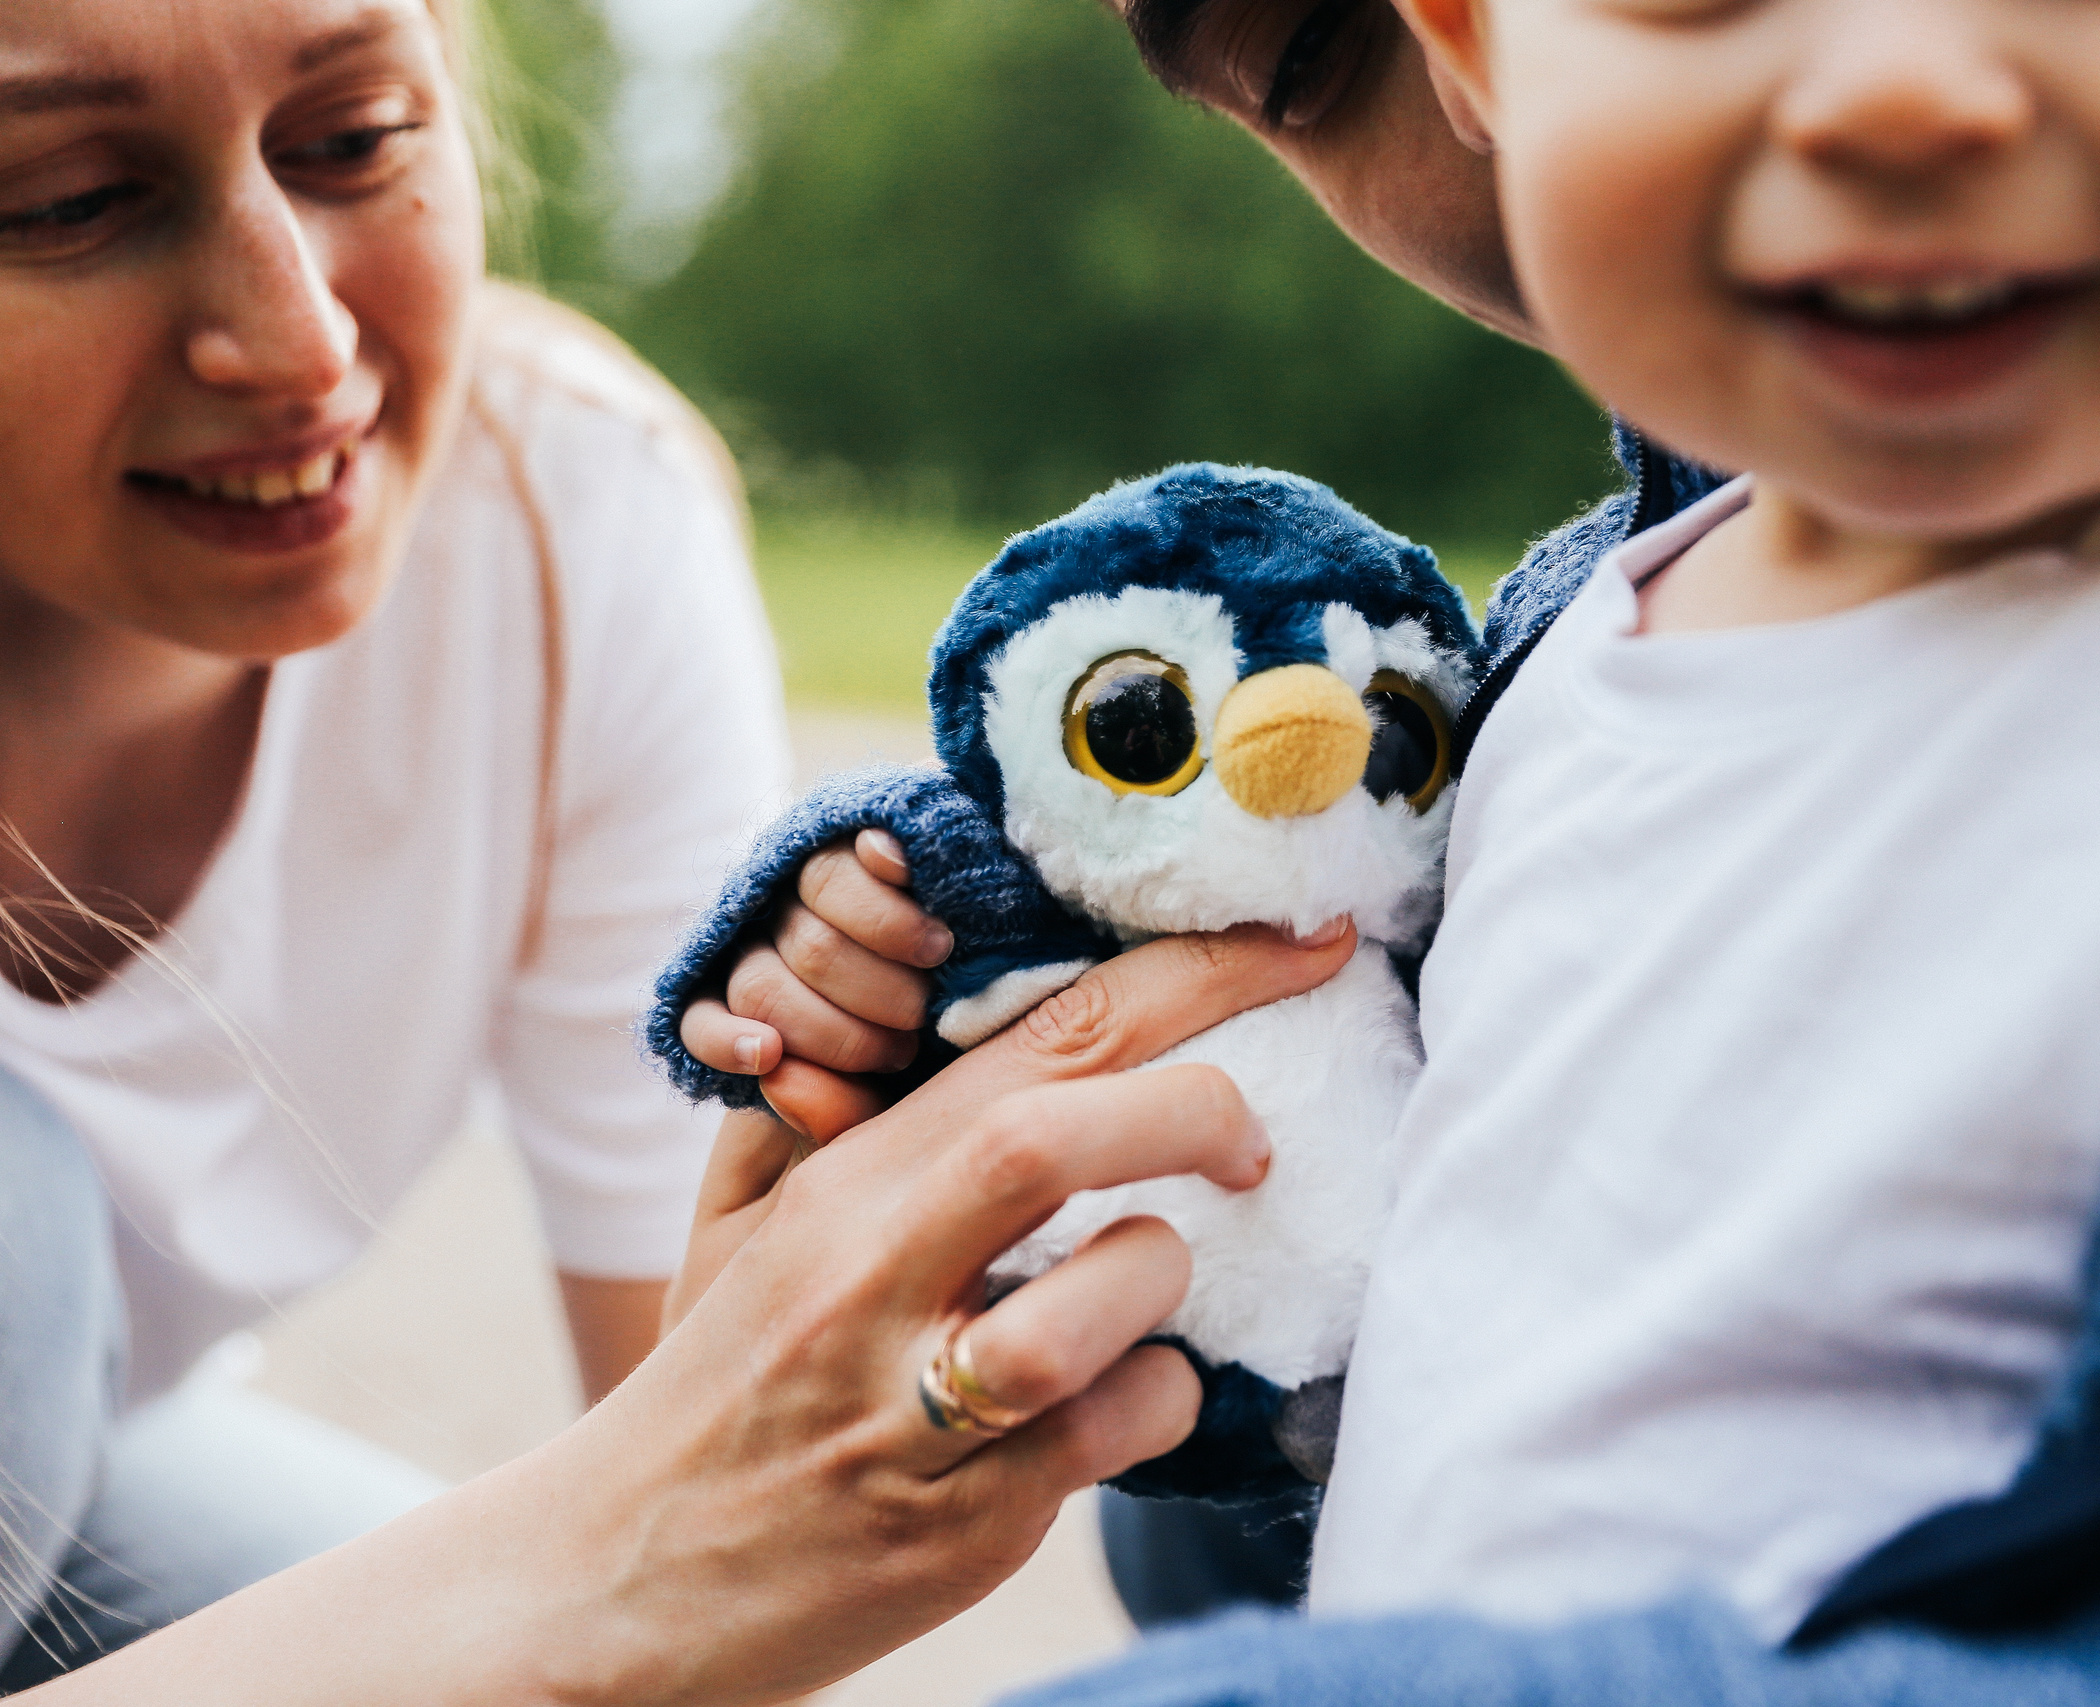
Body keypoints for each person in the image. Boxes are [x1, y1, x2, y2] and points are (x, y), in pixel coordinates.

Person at [668, 0, 2100, 1700]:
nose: (1894, 87)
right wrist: (970, 977)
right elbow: (1458, 1258)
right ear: (1478, 51)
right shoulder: (1576, 656)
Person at [0, 0, 1325, 1692]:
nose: (296, 340)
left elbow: (688, 1512)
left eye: (353, 141)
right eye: (58, 200)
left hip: (88, 1456)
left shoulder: (566, 517)